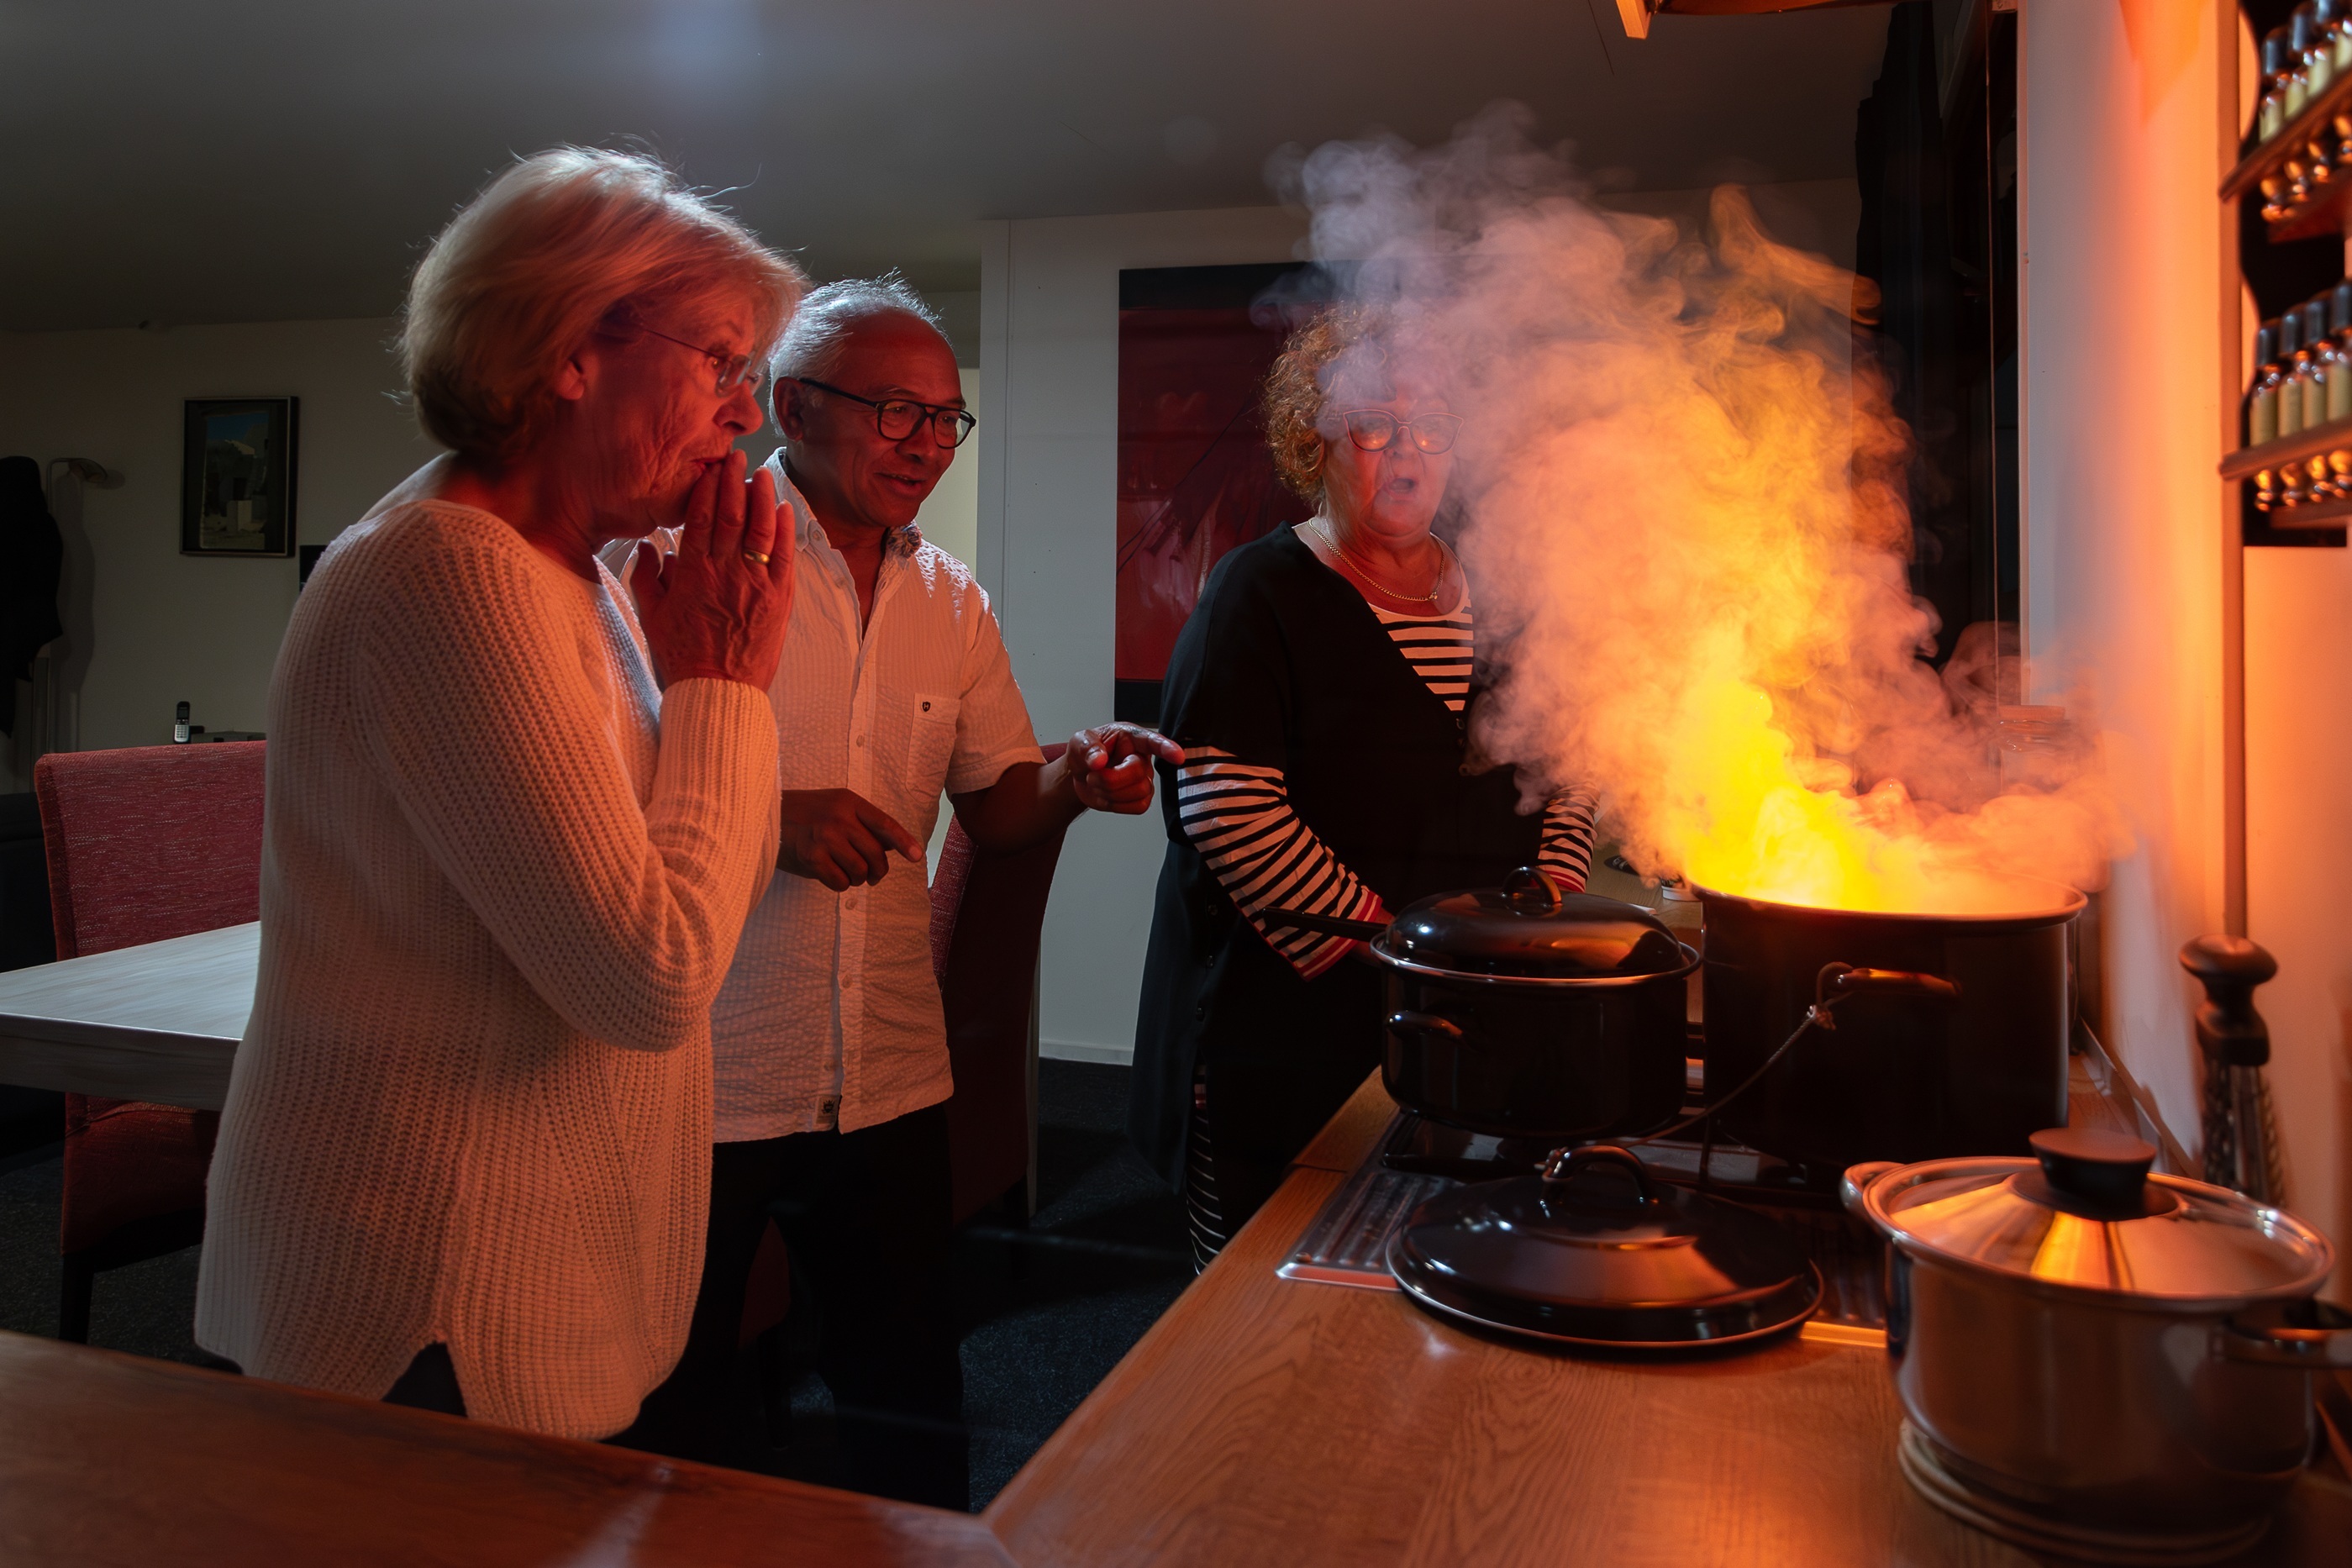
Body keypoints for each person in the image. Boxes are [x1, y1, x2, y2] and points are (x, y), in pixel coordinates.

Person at [193, 147, 804, 1441]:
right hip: (426, 1287)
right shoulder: (447, 575)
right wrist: (726, 685)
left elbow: (704, 885)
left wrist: (710, 678)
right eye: (720, 363)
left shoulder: (577, 576)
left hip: (525, 1266)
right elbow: (649, 979)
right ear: (574, 346)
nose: (743, 416)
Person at [615, 276, 1179, 1505]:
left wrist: (1076, 780)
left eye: (944, 419)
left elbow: (995, 803)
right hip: (703, 1074)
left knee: (912, 1401)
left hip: (883, 1068)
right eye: (893, 411)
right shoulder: (663, 560)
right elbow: (587, 799)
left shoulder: (949, 598)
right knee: (676, 1417)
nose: (925, 444)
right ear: (789, 407)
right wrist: (766, 820)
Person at [1129, 306, 1599, 1267]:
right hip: (1285, 1022)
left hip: (1470, 1014)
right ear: (1318, 441)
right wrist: (1400, 948)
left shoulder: (1507, 595)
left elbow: (1571, 757)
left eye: (1432, 427)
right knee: (1261, 1288)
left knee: (1437, 1268)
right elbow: (1230, 809)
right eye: (1377, 426)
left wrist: (1544, 905)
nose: (1409, 452)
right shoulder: (1256, 593)